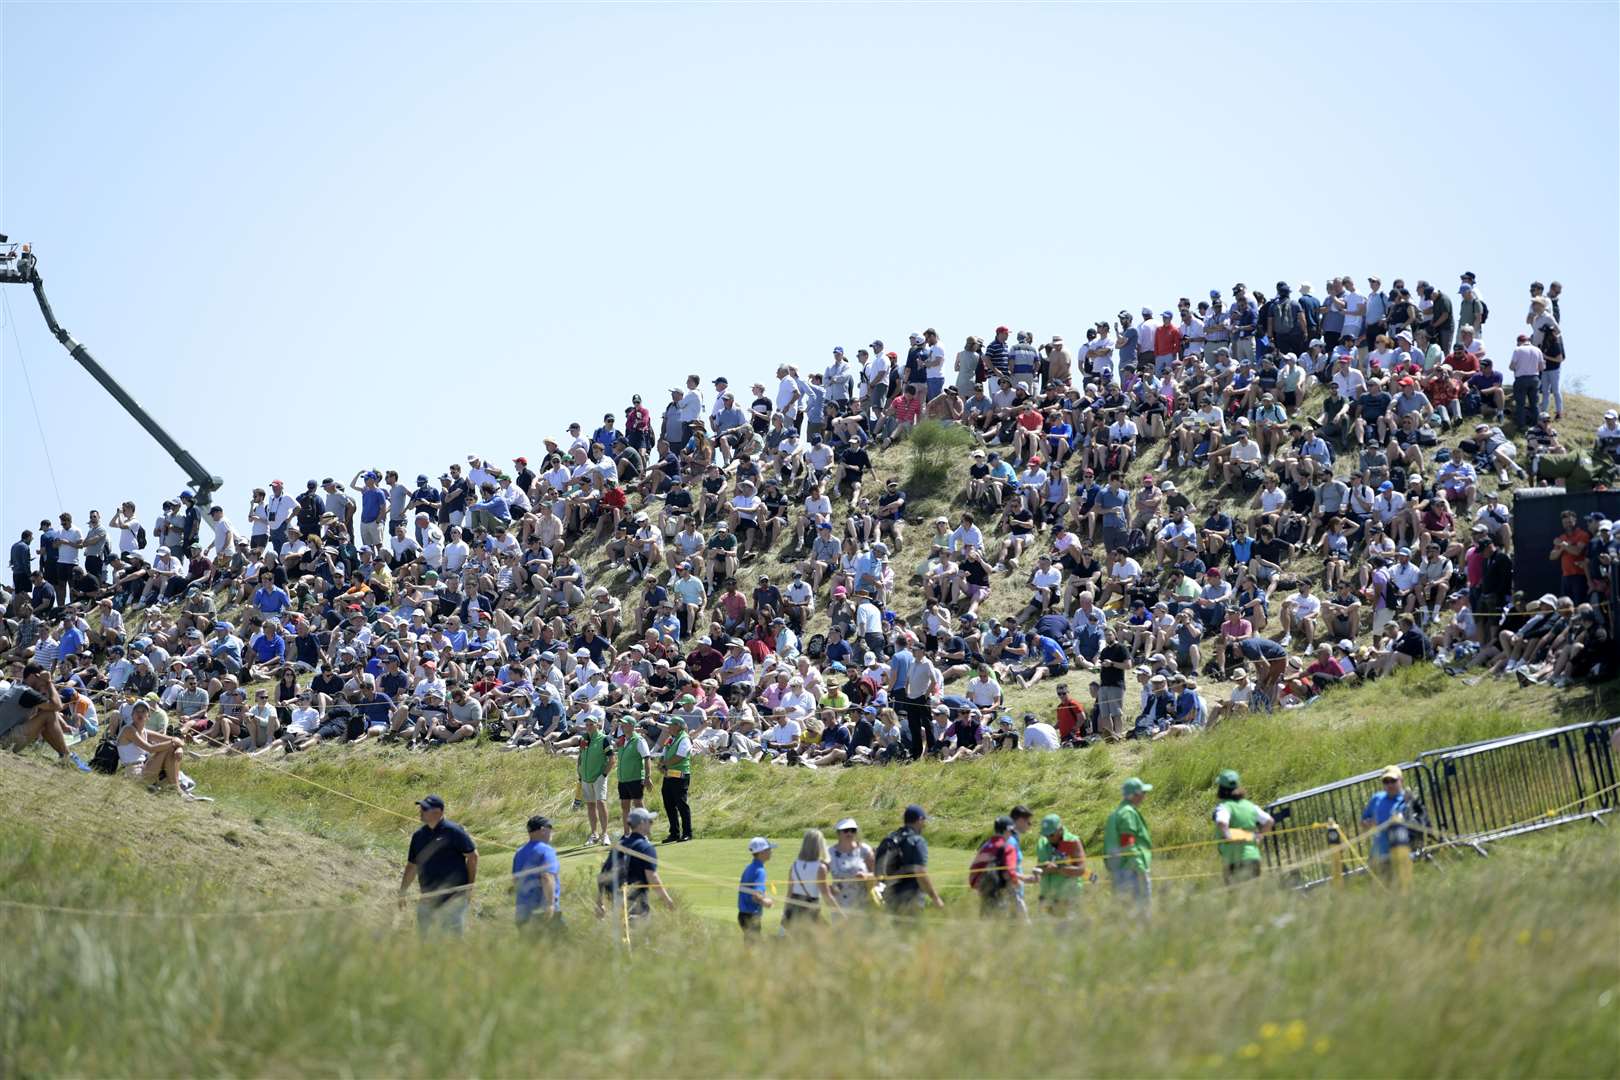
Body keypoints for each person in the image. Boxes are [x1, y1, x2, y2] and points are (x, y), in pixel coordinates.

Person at [399, 794, 478, 936]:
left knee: (450, 941)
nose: (421, 811)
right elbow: (412, 866)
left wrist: (469, 887)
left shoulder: (454, 831)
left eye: (425, 809)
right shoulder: (419, 836)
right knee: (425, 940)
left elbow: (472, 856)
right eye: (421, 808)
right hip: (427, 898)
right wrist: (403, 891)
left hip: (453, 899)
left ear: (438, 812)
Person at [0, 662, 91, 771]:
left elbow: (51, 708)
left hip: (6, 735)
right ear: (34, 676)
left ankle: (64, 755)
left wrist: (65, 726)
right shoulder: (27, 692)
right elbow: (57, 706)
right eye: (42, 679)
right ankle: (67, 756)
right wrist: (49, 683)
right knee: (48, 715)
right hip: (4, 740)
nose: (43, 683)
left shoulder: (20, 688)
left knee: (47, 716)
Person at [597, 806, 675, 923]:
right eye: (650, 821)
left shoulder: (619, 845)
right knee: (640, 938)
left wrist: (599, 903)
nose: (651, 824)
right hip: (637, 904)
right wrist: (667, 901)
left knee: (621, 936)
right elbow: (652, 877)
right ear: (641, 823)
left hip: (616, 902)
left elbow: (604, 874)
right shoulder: (646, 847)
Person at [877, 804, 943, 914]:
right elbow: (920, 872)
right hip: (911, 899)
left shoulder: (890, 838)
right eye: (924, 821)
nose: (924, 825)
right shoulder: (917, 841)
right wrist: (935, 897)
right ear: (920, 820)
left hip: (889, 896)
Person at [1212, 769, 1273, 884]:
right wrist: (1260, 836)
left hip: (1234, 860)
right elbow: (1269, 821)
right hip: (1254, 858)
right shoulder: (1250, 806)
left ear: (1221, 789)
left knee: (1236, 898)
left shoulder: (1224, 806)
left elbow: (1221, 822)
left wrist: (1228, 836)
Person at [1103, 777, 1153, 909]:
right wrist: (1140, 867)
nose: (1144, 796)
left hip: (1118, 870)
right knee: (1140, 911)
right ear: (1135, 795)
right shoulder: (1128, 813)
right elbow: (1127, 841)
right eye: (1143, 793)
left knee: (1124, 913)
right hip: (1132, 871)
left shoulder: (1116, 813)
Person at [1360, 764, 1410, 881]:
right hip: (1378, 854)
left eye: (1393, 781)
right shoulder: (1377, 798)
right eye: (1385, 781)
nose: (1389, 785)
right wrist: (1368, 823)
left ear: (1401, 780)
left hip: (1401, 853)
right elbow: (1363, 821)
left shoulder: (1407, 799)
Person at [512, 815, 562, 930]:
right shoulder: (546, 850)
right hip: (542, 911)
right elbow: (547, 876)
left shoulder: (519, 852)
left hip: (522, 910)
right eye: (550, 828)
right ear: (543, 830)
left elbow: (515, 880)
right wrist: (550, 905)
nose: (552, 831)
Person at [1036, 813, 1087, 917]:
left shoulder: (1072, 841)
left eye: (1051, 834)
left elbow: (1081, 870)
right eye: (1045, 834)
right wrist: (1041, 869)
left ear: (1060, 829)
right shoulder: (1042, 842)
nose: (1048, 838)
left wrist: (1058, 869)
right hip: (1047, 898)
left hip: (1068, 898)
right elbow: (1039, 867)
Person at [783, 828, 834, 928]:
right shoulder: (820, 867)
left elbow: (789, 893)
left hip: (793, 912)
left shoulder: (794, 865)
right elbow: (827, 896)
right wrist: (841, 914)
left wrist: (785, 914)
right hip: (810, 913)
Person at [576, 713, 614, 845]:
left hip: (599, 777)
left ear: (597, 725)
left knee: (601, 804)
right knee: (590, 806)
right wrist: (579, 773)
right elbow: (580, 756)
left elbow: (611, 760)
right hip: (585, 777)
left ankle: (605, 834)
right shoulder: (583, 738)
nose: (589, 727)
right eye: (587, 724)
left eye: (591, 724)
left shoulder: (604, 739)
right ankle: (594, 834)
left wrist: (603, 775)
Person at [657, 715, 694, 842]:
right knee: (669, 805)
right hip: (669, 776)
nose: (668, 727)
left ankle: (687, 832)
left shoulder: (684, 738)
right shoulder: (671, 738)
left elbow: (680, 756)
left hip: (680, 776)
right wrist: (661, 764)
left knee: (681, 804)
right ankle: (674, 833)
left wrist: (664, 764)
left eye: (670, 725)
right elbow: (664, 753)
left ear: (678, 726)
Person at [827, 818, 875, 910]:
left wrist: (866, 876)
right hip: (839, 904)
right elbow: (819, 875)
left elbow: (878, 873)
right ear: (838, 833)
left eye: (853, 830)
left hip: (862, 903)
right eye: (846, 831)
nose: (849, 833)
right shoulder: (830, 852)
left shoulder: (865, 850)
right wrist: (827, 889)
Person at [617, 718, 654, 832]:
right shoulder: (622, 740)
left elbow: (647, 758)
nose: (622, 726)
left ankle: (645, 832)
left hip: (636, 778)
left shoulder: (639, 740)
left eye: (625, 724)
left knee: (639, 805)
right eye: (621, 724)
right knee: (624, 806)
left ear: (632, 726)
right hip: (623, 779)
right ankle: (627, 833)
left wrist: (648, 777)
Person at [737, 836, 776, 937]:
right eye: (769, 849)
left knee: (750, 948)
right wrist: (765, 902)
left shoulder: (749, 867)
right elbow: (755, 895)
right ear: (762, 852)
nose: (771, 851)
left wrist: (764, 896)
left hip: (743, 915)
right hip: (751, 916)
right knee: (755, 949)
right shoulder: (760, 871)